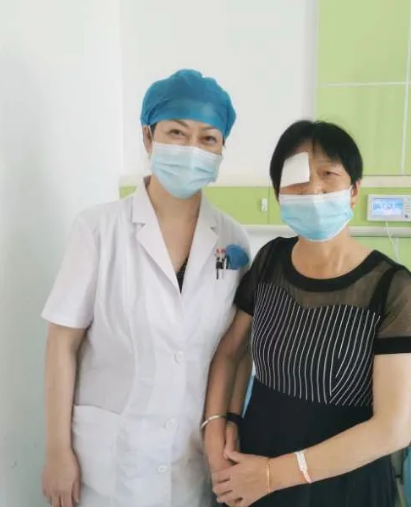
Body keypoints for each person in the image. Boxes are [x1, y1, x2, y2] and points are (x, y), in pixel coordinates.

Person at [40, 69, 252, 507]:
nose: (192, 149)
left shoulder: (234, 242)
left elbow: (235, 352)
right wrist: (57, 450)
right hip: (110, 462)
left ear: (221, 150)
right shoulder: (98, 230)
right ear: (148, 136)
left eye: (208, 139)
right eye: (177, 132)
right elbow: (62, 343)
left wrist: (228, 424)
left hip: (191, 460)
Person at [202, 120, 411, 507]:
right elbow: (231, 351)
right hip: (252, 464)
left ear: (354, 191)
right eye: (297, 177)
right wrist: (220, 422)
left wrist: (272, 475)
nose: (312, 188)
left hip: (342, 483)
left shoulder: (393, 288)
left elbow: (393, 429)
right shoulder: (270, 261)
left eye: (328, 173)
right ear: (279, 193)